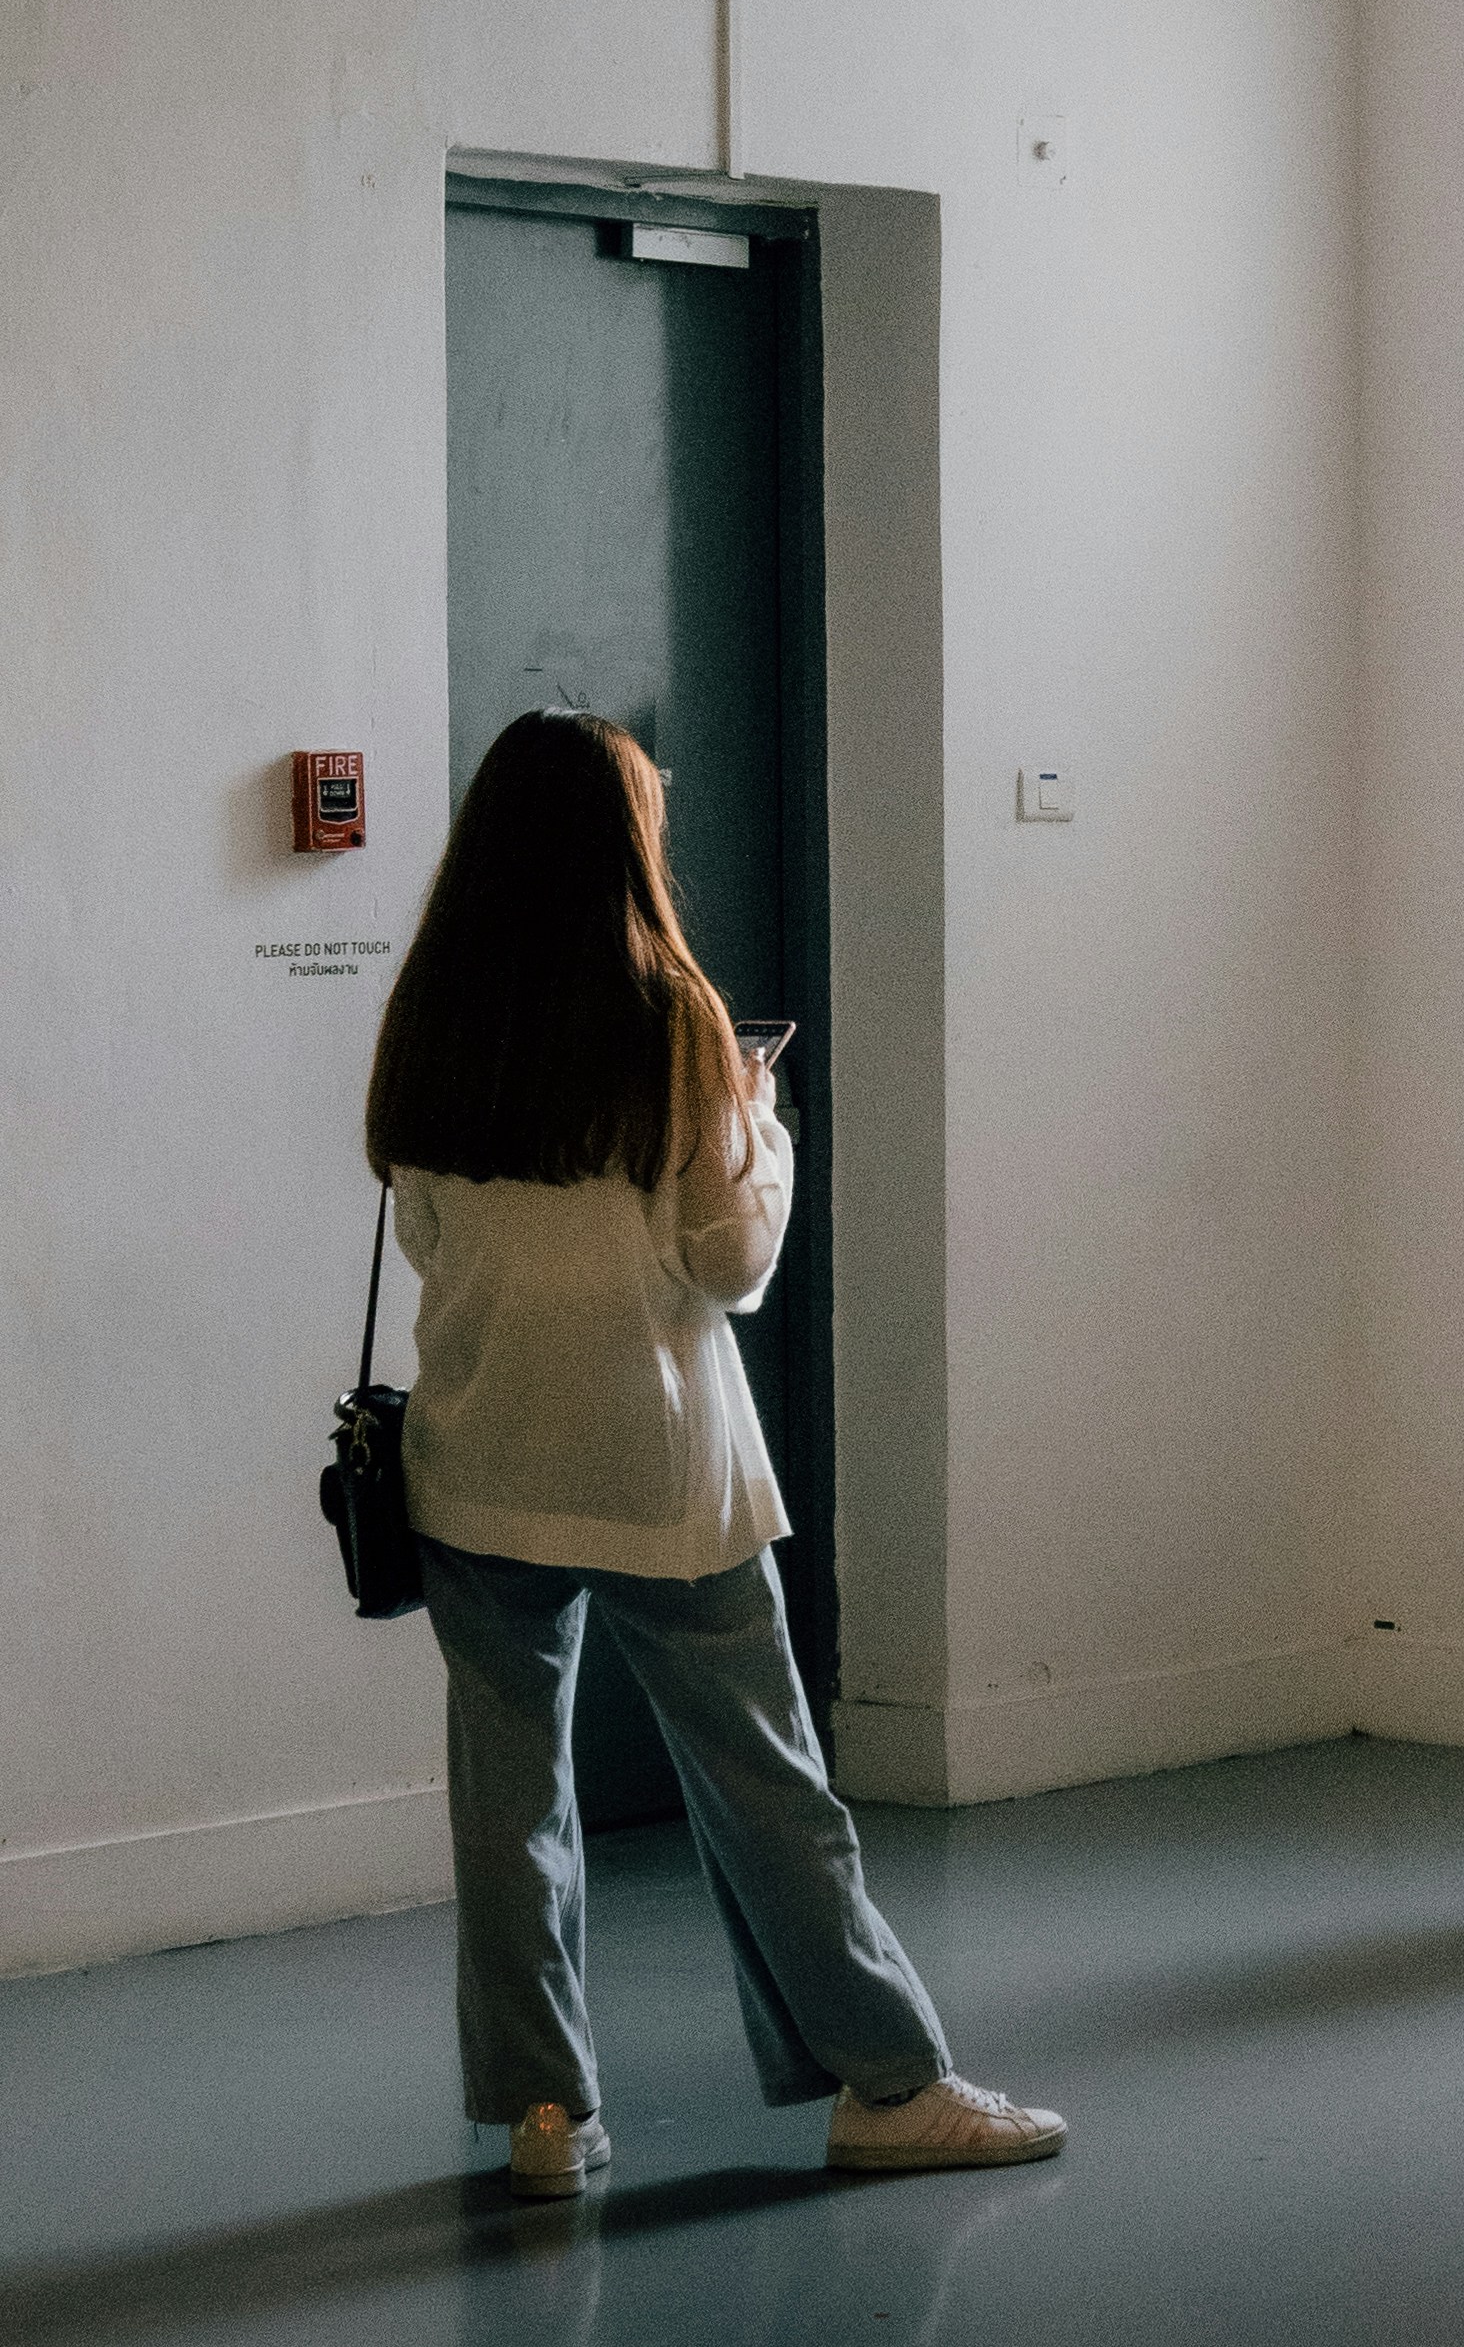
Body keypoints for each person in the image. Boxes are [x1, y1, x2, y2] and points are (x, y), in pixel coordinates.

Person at [368, 708, 1065, 2197]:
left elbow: (424, 1231)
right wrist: (766, 1121)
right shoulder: (672, 1015)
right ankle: (890, 2079)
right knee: (768, 1788)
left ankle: (545, 2117)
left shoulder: (431, 1011)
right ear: (625, 838)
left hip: (476, 1460)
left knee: (508, 1804)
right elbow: (727, 1261)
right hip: (658, 1471)